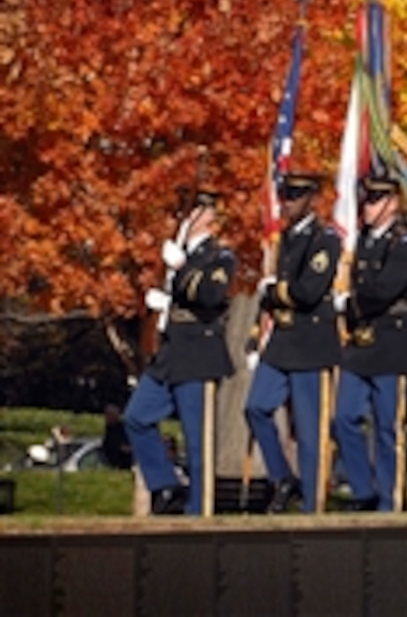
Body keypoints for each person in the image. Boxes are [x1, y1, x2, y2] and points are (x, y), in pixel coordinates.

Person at [124, 190, 235, 515]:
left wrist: (183, 267)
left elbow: (211, 295)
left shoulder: (220, 256)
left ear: (209, 218)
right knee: (137, 417)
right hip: (170, 354)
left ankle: (199, 511)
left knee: (197, 440)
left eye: (194, 211)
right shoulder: (176, 254)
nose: (185, 219)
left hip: (198, 355)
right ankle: (165, 485)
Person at [244, 173, 342, 514]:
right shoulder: (286, 237)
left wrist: (272, 292)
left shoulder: (325, 239)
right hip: (283, 342)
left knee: (309, 431)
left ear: (312, 199)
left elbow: (308, 291)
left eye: (296, 196)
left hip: (310, 343)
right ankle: (283, 478)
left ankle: (312, 504)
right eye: (285, 195)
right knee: (255, 407)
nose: (287, 202)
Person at [333, 174, 407, 511]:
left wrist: (350, 303)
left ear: (393, 205)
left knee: (388, 425)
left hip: (392, 340)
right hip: (363, 341)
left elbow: (386, 289)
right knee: (343, 418)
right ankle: (363, 489)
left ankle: (390, 497)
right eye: (366, 201)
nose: (367, 208)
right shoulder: (366, 241)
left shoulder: (404, 243)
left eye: (374, 201)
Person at [102, 404, 132, 470]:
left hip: (124, 464)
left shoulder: (124, 428)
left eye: (109, 415)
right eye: (106, 415)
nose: (107, 417)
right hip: (111, 464)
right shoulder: (109, 429)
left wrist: (126, 448)